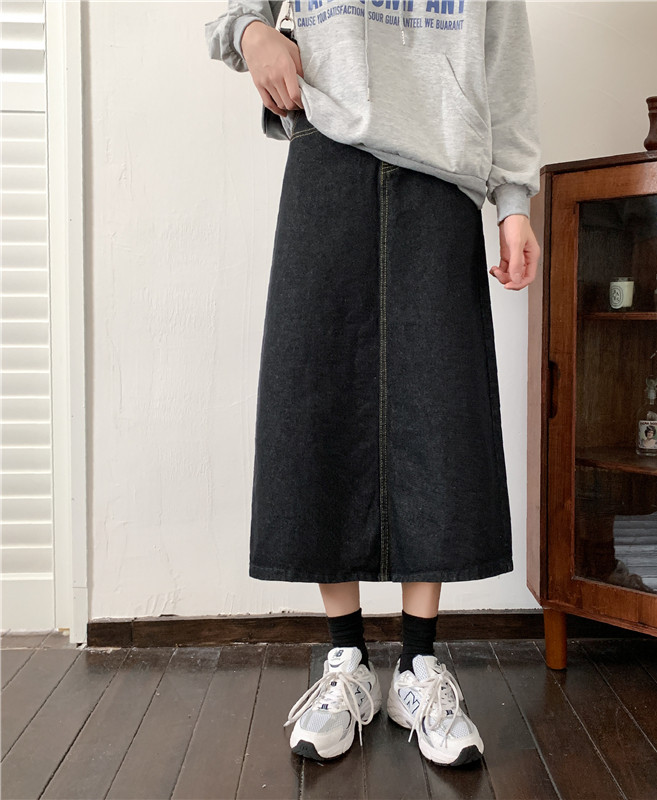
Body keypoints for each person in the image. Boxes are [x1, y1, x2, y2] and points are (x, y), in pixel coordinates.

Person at [205, 0, 541, 768]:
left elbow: (506, 61)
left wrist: (514, 201)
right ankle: (347, 661)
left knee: (440, 409)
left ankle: (418, 667)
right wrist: (251, 32)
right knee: (317, 399)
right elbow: (236, 12)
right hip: (328, 149)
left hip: (443, 172)